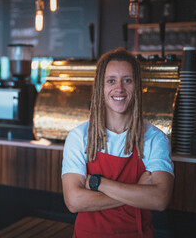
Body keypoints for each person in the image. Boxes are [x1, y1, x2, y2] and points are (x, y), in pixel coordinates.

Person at [61, 48, 174, 238]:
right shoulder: (78, 137)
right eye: (111, 80)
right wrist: (137, 190)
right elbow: (74, 201)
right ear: (100, 87)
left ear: (136, 86)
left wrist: (98, 183)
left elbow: (160, 199)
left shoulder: (155, 139)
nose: (119, 88)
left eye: (127, 80)